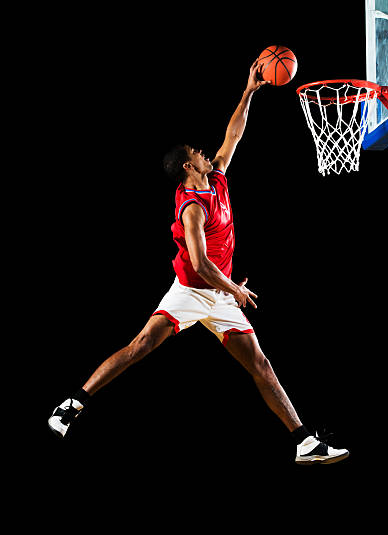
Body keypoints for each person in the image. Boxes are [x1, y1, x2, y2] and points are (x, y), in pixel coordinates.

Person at [48, 60, 349, 465]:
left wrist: (249, 92)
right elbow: (201, 266)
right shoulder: (191, 207)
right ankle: (73, 404)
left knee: (260, 363)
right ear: (189, 167)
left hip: (221, 294)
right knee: (140, 346)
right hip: (192, 291)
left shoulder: (218, 178)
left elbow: (234, 135)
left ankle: (304, 442)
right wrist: (236, 290)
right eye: (198, 153)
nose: (206, 153)